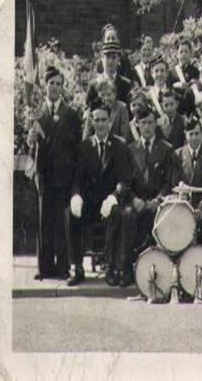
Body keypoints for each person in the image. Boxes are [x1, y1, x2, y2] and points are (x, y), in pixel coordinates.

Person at [68, 99, 133, 286]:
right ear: (91, 121)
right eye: (97, 120)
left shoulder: (120, 146)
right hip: (89, 202)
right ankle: (77, 268)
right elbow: (77, 179)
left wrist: (114, 196)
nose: (101, 124)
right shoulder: (84, 147)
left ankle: (111, 266)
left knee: (116, 213)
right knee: (69, 214)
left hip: (110, 201)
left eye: (104, 120)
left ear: (110, 122)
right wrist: (76, 196)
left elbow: (124, 179)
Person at [27, 66, 81, 281]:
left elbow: (76, 148)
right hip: (44, 174)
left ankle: (63, 267)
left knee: (61, 222)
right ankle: (44, 267)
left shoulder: (71, 114)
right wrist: (32, 141)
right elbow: (34, 147)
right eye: (51, 84)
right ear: (46, 86)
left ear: (63, 87)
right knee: (44, 222)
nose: (55, 88)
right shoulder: (37, 113)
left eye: (59, 84)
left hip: (64, 176)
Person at [127, 105, 177, 278]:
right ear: (137, 125)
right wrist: (134, 199)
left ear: (156, 124)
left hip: (158, 202)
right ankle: (130, 269)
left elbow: (169, 181)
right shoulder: (130, 149)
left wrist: (159, 199)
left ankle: (162, 269)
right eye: (143, 123)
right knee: (128, 216)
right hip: (138, 202)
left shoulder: (166, 149)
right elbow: (126, 181)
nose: (147, 127)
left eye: (150, 122)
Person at [174, 115, 202, 248]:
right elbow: (174, 183)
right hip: (183, 205)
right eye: (191, 134)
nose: (194, 137)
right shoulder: (177, 155)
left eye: (197, 133)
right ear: (185, 134)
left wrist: (201, 209)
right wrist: (186, 204)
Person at [87, 40, 132, 105]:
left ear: (118, 59)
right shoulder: (93, 85)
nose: (110, 61)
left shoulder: (126, 84)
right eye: (107, 57)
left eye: (114, 57)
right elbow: (87, 109)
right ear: (102, 59)